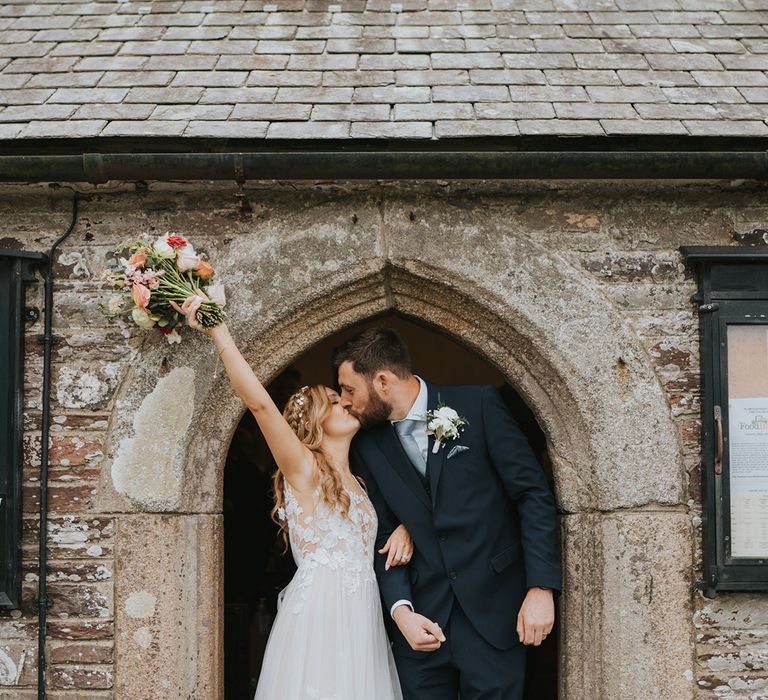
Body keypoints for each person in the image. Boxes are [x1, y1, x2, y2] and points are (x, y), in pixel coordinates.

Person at [170, 294, 412, 700]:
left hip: (361, 614)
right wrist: (218, 331)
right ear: (317, 421)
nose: (348, 402)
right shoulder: (303, 468)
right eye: (335, 402)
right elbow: (260, 405)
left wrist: (408, 527)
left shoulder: (362, 481)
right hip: (322, 612)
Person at [334, 327, 562, 700]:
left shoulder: (479, 406)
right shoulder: (367, 445)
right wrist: (401, 612)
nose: (345, 401)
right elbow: (380, 534)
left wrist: (540, 588)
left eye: (349, 389)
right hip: (421, 622)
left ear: (382, 380)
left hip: (496, 612)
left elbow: (531, 496)